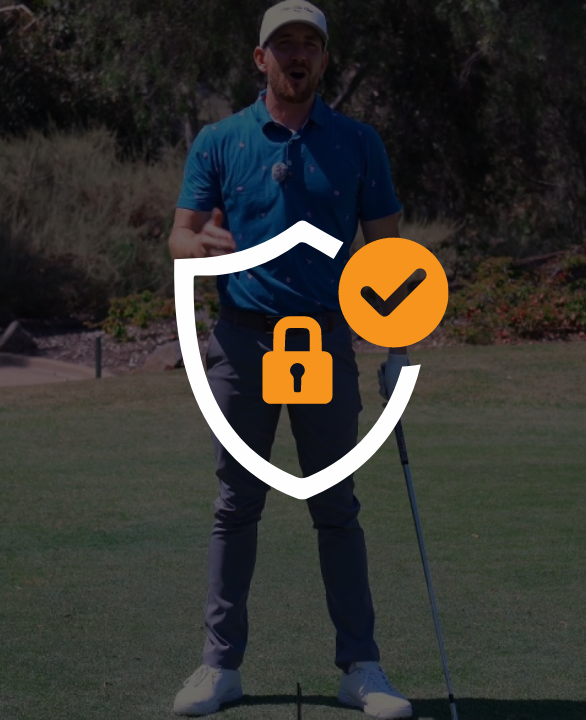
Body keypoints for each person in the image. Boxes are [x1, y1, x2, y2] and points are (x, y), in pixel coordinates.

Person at [167, 2, 413, 718]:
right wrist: (197, 246)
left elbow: (388, 257)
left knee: (336, 505)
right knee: (236, 504)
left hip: (324, 340)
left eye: (310, 44)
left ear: (324, 59)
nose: (296, 55)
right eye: (284, 45)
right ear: (261, 58)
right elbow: (179, 236)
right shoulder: (221, 141)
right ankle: (220, 667)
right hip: (243, 341)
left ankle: (361, 669)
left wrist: (396, 351)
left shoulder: (359, 142)